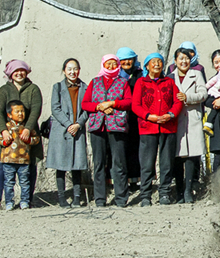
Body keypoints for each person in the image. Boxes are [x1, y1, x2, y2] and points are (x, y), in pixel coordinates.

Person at [132, 53, 182, 206]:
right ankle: (145, 196)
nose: (156, 64)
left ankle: (164, 194)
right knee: (147, 164)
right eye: (153, 62)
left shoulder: (169, 82)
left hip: (168, 127)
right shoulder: (141, 82)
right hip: (148, 128)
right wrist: (149, 116)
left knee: (166, 163)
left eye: (159, 62)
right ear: (147, 66)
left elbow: (177, 101)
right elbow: (136, 105)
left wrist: (171, 114)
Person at [82, 54, 131, 207]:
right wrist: (98, 106)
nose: (110, 67)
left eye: (113, 64)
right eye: (108, 64)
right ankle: (100, 199)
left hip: (117, 126)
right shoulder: (95, 82)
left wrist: (113, 103)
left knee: (119, 163)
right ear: (103, 64)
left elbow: (129, 102)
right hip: (98, 126)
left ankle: (121, 198)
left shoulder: (123, 83)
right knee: (99, 163)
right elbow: (85, 103)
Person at [46, 58, 89, 208]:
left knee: (77, 165)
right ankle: (62, 198)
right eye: (69, 69)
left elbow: (87, 109)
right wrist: (69, 124)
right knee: (61, 165)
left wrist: (78, 124)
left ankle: (77, 198)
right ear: (64, 71)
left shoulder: (85, 87)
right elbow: (55, 108)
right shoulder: (57, 87)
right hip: (62, 132)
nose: (73, 72)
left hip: (78, 131)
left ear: (79, 70)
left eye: (75, 68)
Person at [0, 60, 43, 206]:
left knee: (29, 168)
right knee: (4, 169)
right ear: (10, 74)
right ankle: (5, 201)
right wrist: (3, 130)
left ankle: (27, 200)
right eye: (15, 71)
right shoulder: (4, 91)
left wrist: (28, 128)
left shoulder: (33, 89)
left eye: (22, 70)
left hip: (28, 135)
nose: (19, 73)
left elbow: (36, 110)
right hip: (9, 136)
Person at [168, 48, 207, 204]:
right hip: (175, 120)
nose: (183, 61)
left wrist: (188, 97)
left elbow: (203, 94)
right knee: (177, 156)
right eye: (180, 58)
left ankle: (188, 190)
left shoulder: (196, 74)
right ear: (175, 60)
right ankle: (178, 191)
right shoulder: (170, 77)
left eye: (186, 58)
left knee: (192, 155)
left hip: (192, 118)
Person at [2, 100, 40, 210]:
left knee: (24, 182)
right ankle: (9, 202)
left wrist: (29, 140)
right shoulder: (6, 127)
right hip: (8, 161)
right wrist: (5, 141)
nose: (20, 114)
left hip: (24, 161)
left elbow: (36, 139)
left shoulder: (27, 128)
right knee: (9, 183)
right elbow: (0, 140)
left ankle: (25, 201)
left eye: (22, 111)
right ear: (9, 114)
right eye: (17, 111)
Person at [117, 47, 143, 190]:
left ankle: (134, 181)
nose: (127, 62)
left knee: (135, 149)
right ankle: (120, 182)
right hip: (118, 118)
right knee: (120, 150)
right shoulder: (114, 75)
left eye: (129, 59)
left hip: (135, 117)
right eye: (123, 60)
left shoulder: (139, 74)